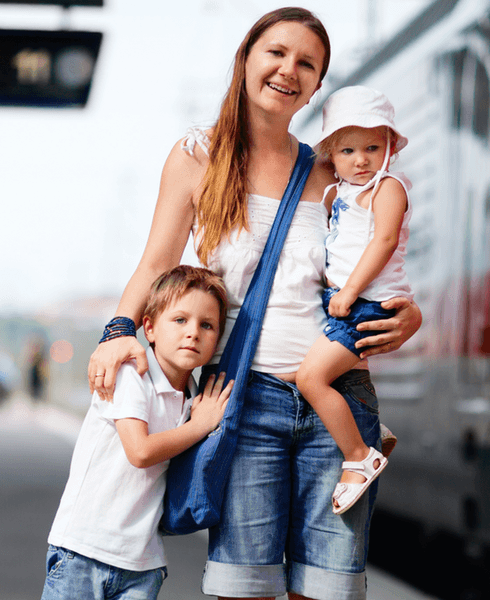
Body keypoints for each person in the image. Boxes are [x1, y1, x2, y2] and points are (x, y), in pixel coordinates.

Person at [86, 8, 423, 599]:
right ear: (246, 58)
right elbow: (157, 262)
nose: (288, 70)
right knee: (244, 590)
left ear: (318, 85)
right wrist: (118, 330)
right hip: (245, 399)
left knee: (329, 591)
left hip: (338, 396)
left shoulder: (333, 170)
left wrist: (408, 313)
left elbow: (377, 260)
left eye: (307, 64)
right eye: (277, 53)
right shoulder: (199, 156)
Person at [43, 266, 235, 600]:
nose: (193, 333)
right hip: (82, 551)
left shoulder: (195, 398)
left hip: (143, 564)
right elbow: (140, 451)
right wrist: (199, 426)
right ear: (149, 327)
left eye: (207, 325)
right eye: (180, 320)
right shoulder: (131, 375)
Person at [295, 86, 412, 515]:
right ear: (331, 154)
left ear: (389, 149)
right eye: (347, 150)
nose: (360, 159)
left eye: (372, 147)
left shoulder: (388, 188)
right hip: (345, 300)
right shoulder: (341, 193)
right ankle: (370, 431)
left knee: (310, 378)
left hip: (364, 304)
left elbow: (383, 242)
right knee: (306, 370)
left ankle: (360, 456)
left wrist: (346, 292)